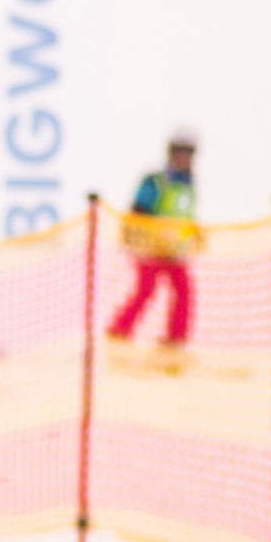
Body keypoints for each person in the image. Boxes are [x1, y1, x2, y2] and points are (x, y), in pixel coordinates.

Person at [106, 131, 202, 369]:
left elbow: (185, 216)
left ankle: (175, 339)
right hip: (150, 248)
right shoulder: (156, 181)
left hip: (174, 251)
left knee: (184, 290)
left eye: (188, 155)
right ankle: (119, 331)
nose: (185, 160)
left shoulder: (188, 185)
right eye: (181, 154)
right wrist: (139, 236)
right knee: (146, 290)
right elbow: (138, 209)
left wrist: (193, 235)